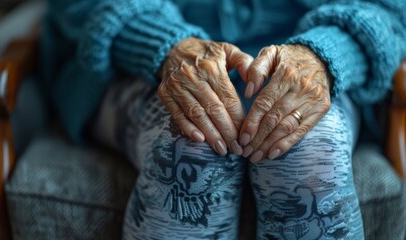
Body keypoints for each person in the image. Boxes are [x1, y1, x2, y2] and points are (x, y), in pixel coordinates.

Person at [42, 0, 406, 239]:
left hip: (316, 62)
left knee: (306, 153)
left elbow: (392, 10)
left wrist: (328, 53)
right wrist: (161, 42)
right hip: (137, 62)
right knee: (191, 148)